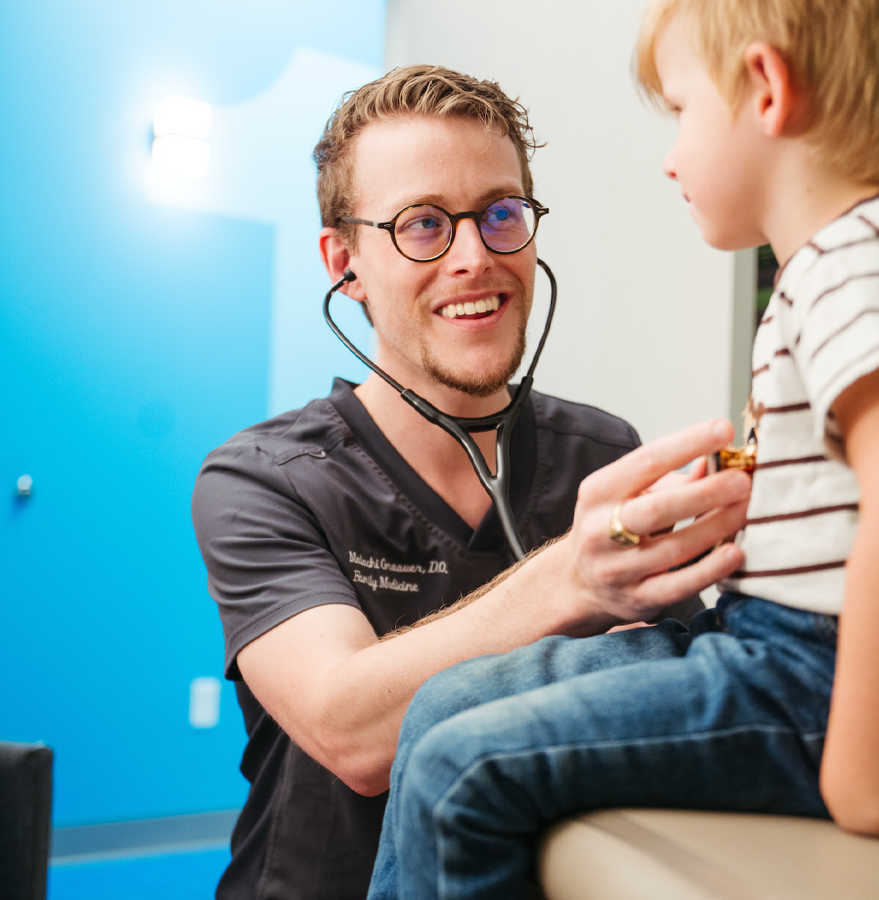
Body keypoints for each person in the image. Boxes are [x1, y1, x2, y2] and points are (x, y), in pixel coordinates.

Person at [365, 3, 879, 898]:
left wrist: (870, 762)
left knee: (464, 770)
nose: (670, 155)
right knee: (442, 701)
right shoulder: (839, 262)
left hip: (812, 672)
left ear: (766, 91)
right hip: (768, 641)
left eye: (683, 111)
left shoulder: (847, 263)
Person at [191, 64, 750, 900]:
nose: (474, 258)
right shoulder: (263, 480)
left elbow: (683, 704)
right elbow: (351, 733)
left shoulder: (601, 451)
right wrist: (571, 576)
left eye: (500, 214)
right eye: (422, 225)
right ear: (343, 263)